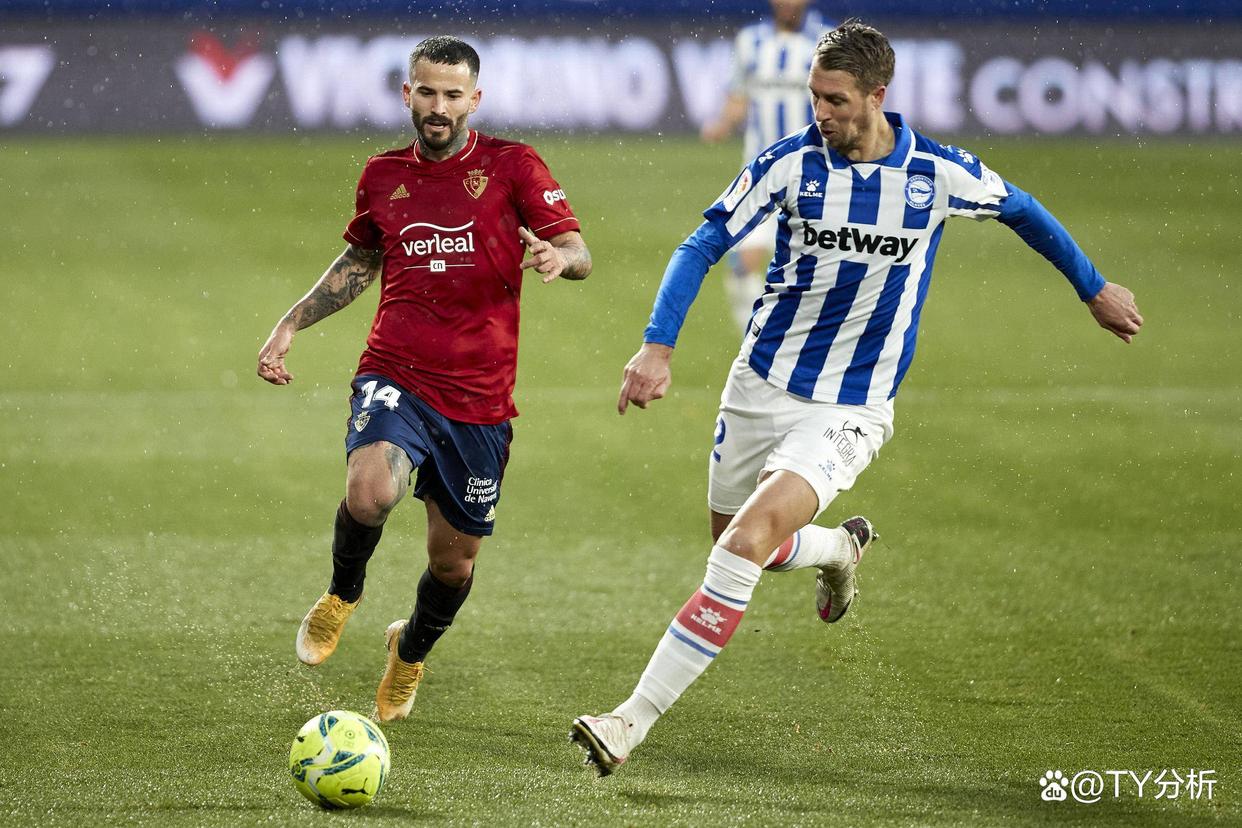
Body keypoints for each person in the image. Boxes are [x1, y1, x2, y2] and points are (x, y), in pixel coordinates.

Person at [571, 20, 1142, 775]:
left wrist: (1093, 288)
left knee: (742, 547)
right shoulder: (790, 163)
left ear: (877, 95)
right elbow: (702, 243)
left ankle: (628, 722)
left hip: (851, 405)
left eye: (835, 100)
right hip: (760, 384)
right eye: (814, 96)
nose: (821, 113)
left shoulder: (935, 174)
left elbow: (1025, 211)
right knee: (740, 544)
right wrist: (658, 343)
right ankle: (839, 549)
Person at [257, 36, 591, 723]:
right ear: (407, 93)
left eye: (452, 95)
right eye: (427, 92)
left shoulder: (513, 166)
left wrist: (561, 260)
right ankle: (342, 594)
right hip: (396, 371)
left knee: (452, 565)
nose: (439, 107)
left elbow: (576, 248)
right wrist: (291, 323)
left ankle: (409, 650)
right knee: (371, 491)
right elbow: (360, 262)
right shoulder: (383, 175)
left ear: (475, 99)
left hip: (479, 398)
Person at [700, 0, 832, 331]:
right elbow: (739, 96)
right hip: (760, 172)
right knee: (744, 266)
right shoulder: (750, 41)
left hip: (814, 173)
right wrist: (722, 125)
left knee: (816, 269)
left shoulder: (826, 40)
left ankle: (806, 335)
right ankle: (757, 338)